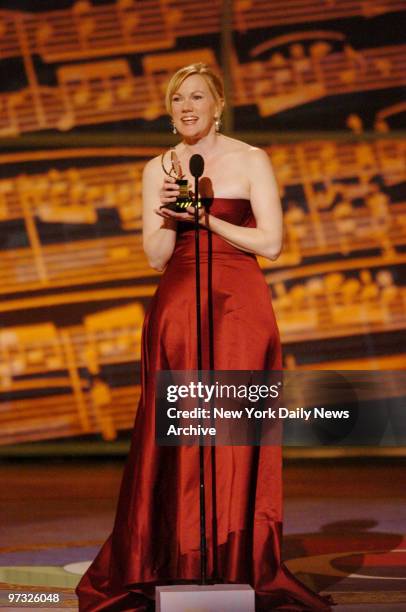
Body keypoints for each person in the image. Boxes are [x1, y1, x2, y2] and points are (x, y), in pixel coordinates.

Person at [75, 63, 333, 611]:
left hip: (239, 305)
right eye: (176, 100)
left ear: (218, 104)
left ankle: (237, 557)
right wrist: (172, 216)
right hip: (179, 306)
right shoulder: (157, 169)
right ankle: (174, 556)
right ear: (170, 113)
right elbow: (154, 257)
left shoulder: (251, 159)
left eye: (196, 97)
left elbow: (272, 243)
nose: (186, 107)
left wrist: (206, 215)